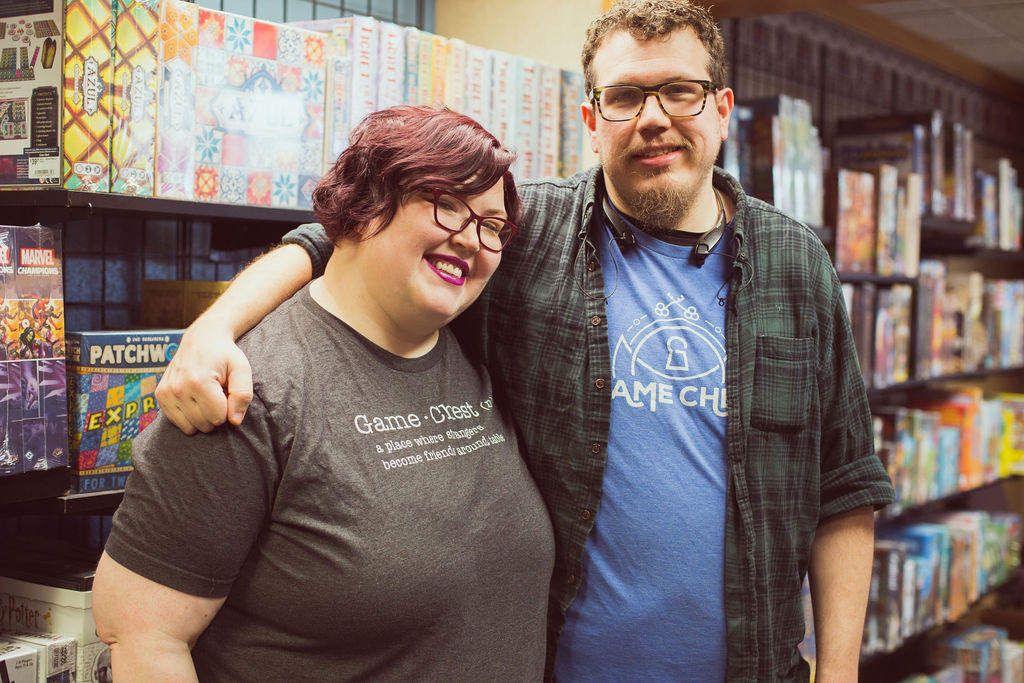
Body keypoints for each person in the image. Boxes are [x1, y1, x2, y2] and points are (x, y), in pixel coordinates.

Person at [156, 1, 896, 680]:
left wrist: (839, 671)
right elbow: (344, 237)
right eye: (625, 96)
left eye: (681, 91)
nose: (654, 118)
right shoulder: (523, 232)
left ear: (722, 108)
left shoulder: (797, 264)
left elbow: (845, 484)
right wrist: (214, 326)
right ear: (591, 116)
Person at [91, 105, 554, 682]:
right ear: (365, 208)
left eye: (490, 225)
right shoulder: (247, 390)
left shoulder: (473, 343)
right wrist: (211, 326)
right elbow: (142, 636)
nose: (472, 240)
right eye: (447, 205)